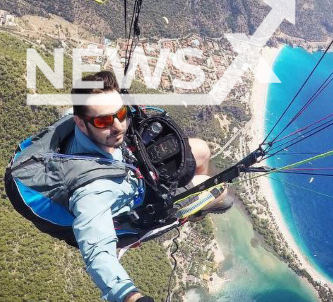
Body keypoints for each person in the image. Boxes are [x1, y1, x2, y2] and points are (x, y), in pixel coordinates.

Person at [69, 71, 232, 302]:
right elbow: (97, 252)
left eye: (121, 114)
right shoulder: (92, 188)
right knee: (222, 192)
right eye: (104, 121)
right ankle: (194, 212)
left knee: (202, 150)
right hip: (141, 205)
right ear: (81, 124)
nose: (118, 126)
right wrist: (130, 296)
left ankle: (194, 202)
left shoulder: (83, 124)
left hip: (137, 171)